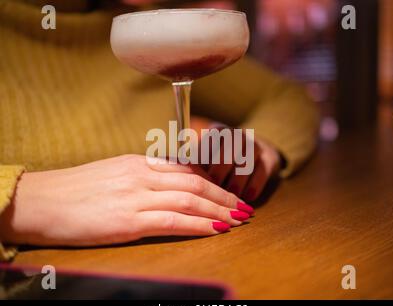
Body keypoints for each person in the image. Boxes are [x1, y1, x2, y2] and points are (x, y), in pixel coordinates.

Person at [0, 0, 319, 261]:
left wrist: (260, 145)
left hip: (180, 264)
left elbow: (286, 97)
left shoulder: (149, 30)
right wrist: (17, 200)